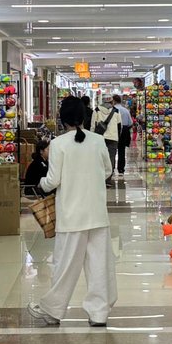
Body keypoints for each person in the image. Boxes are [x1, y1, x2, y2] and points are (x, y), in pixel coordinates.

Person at [28, 97, 117, 327]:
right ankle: (99, 313)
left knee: (65, 265)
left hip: (71, 215)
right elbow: (107, 170)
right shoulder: (98, 141)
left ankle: (53, 310)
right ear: (84, 117)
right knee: (99, 265)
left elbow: (53, 180)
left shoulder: (58, 144)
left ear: (62, 118)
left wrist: (41, 184)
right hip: (97, 213)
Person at [93, 96, 121, 186]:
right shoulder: (116, 111)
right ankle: (108, 180)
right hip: (113, 138)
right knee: (111, 158)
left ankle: (100, 178)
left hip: (99, 138)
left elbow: (93, 125)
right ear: (112, 101)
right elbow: (119, 126)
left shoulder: (97, 110)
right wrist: (117, 136)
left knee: (99, 158)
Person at [114, 95, 134, 177]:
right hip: (124, 133)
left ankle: (111, 168)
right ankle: (121, 169)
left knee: (112, 151)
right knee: (122, 151)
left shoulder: (111, 110)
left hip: (113, 131)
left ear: (114, 101)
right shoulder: (125, 110)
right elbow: (131, 123)